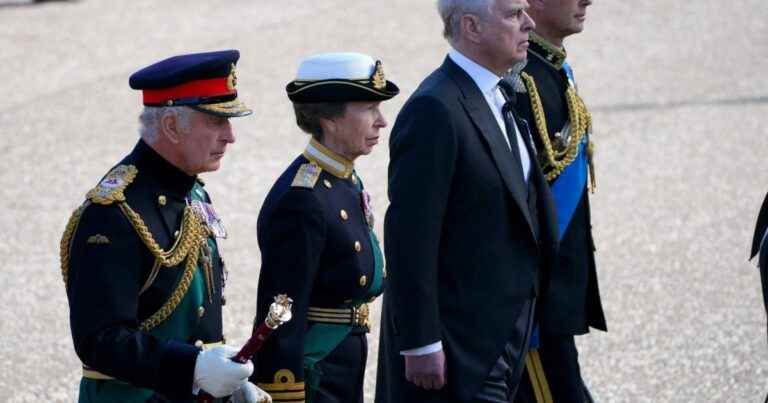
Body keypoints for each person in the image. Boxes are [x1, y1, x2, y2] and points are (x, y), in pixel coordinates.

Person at [60, 50, 270, 403]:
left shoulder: (191, 190)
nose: (230, 136)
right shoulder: (114, 213)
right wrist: (192, 367)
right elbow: (99, 340)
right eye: (217, 122)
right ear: (171, 126)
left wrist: (224, 378)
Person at [375, 1, 559, 402]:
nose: (529, 22)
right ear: (471, 26)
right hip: (460, 349)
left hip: (508, 335)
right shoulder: (435, 108)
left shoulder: (501, 94)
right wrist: (420, 341)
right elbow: (411, 236)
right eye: (513, 14)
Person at [250, 52, 399, 403]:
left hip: (343, 359)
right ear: (329, 118)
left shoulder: (343, 177)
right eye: (368, 108)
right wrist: (284, 392)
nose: (382, 122)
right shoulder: (303, 199)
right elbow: (280, 310)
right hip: (316, 370)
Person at [505, 1, 606, 402]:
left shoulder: (552, 70)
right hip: (536, 306)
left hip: (556, 300)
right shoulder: (524, 80)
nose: (587, 1)